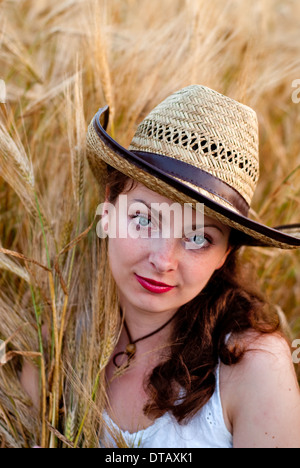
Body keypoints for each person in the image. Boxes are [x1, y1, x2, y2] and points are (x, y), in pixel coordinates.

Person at [22, 85, 300, 448]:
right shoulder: (56, 340)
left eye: (198, 238)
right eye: (144, 219)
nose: (163, 260)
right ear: (110, 206)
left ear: (225, 254)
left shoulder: (253, 367)